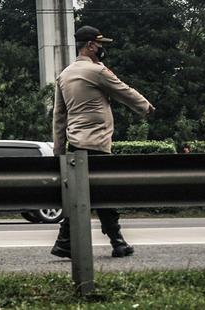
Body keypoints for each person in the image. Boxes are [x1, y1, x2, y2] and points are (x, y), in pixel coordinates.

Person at [51, 25, 155, 259]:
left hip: (75, 146)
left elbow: (59, 117)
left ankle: (68, 242)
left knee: (83, 194)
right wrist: (146, 107)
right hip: (96, 145)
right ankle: (115, 242)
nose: (102, 48)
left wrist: (59, 151)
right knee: (103, 192)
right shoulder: (97, 71)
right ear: (90, 46)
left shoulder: (64, 75)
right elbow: (123, 91)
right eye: (99, 44)